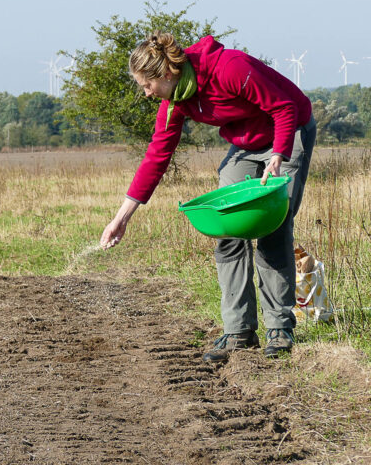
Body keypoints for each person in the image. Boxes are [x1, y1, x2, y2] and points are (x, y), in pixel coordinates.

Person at [100, 32, 316, 362]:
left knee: (271, 226)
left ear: (167, 74)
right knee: (228, 228)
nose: (146, 94)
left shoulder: (228, 67)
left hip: (288, 131)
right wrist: (121, 217)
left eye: (147, 85)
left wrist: (279, 154)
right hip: (246, 143)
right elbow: (157, 156)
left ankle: (279, 329)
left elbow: (284, 107)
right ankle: (239, 331)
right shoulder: (174, 103)